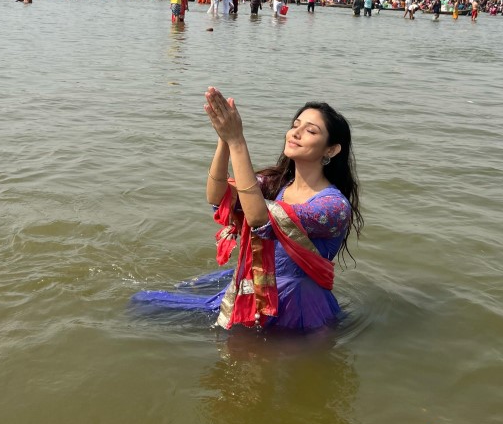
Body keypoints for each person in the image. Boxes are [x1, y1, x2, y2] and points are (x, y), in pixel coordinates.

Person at [133, 90, 363, 331]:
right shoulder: (276, 184)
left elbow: (258, 218)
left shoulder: (333, 206)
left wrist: (237, 141)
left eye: (311, 130)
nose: (295, 133)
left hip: (295, 304)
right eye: (295, 125)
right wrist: (224, 139)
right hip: (258, 282)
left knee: (143, 303)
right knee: (177, 290)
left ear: (331, 150)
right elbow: (217, 196)